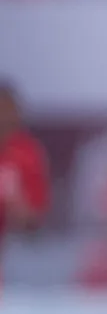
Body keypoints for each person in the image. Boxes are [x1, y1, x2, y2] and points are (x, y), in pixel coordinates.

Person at [0, 83, 50, 240]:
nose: (4, 117)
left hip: (14, 240)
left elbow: (37, 216)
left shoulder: (28, 152)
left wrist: (23, 214)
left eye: (9, 111)